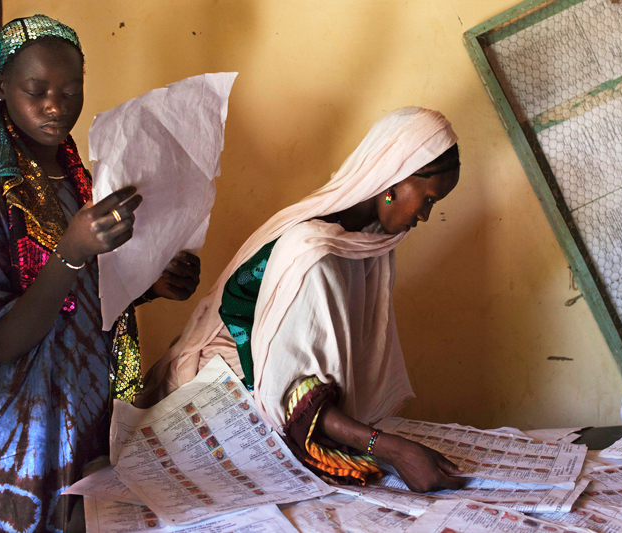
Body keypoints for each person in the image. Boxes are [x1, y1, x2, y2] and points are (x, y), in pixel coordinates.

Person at [0, 15, 200, 531]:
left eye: (71, 89)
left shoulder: (81, 180)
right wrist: (71, 250)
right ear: (0, 87)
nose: (56, 106)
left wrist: (149, 285)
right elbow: (0, 341)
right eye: (36, 90)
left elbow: (88, 295)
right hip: (21, 423)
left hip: (88, 404)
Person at [136, 107, 464, 492]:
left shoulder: (365, 241)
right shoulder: (313, 250)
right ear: (395, 176)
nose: (425, 216)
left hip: (268, 398)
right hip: (221, 399)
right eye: (427, 199)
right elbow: (289, 394)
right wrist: (391, 449)